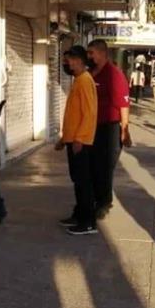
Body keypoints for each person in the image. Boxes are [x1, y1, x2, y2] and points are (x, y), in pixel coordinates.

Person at [85, 39, 132, 222]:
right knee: (93, 167)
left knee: (104, 167)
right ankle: (96, 199)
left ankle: (104, 203)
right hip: (92, 127)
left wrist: (124, 130)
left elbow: (124, 104)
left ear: (102, 53)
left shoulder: (114, 74)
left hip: (109, 127)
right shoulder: (91, 74)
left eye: (91, 53)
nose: (89, 57)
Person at [57, 46, 98, 235]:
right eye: (67, 59)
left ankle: (87, 222)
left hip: (81, 141)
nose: (68, 63)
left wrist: (80, 139)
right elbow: (73, 114)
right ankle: (79, 214)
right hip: (73, 139)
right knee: (78, 180)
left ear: (81, 60)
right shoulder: (78, 80)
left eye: (72, 59)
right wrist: (65, 138)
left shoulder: (84, 81)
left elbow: (89, 113)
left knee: (83, 182)